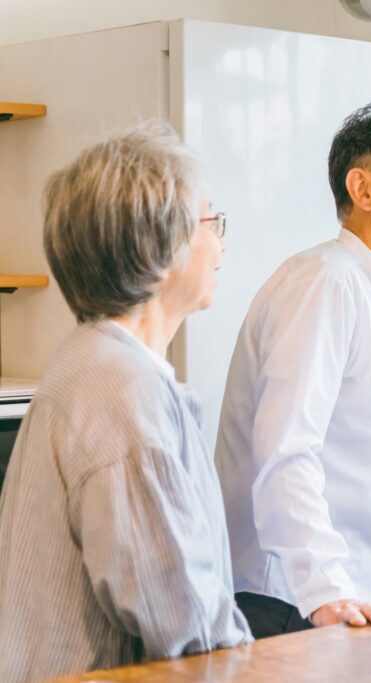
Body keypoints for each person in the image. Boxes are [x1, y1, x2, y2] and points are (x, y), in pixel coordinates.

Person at [0, 126, 251, 682]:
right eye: (210, 221)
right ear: (156, 249)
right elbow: (187, 624)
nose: (221, 243)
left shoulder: (97, 365)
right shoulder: (121, 391)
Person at [216, 100, 371, 637]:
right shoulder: (326, 282)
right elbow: (286, 452)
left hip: (349, 602)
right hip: (292, 602)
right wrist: (327, 591)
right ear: (362, 189)